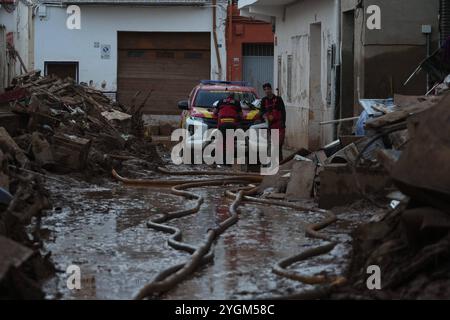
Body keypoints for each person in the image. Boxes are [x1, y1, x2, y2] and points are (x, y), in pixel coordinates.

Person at [214, 93, 242, 164]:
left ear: (227, 96)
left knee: (222, 142)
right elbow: (241, 115)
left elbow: (215, 112)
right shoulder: (236, 102)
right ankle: (228, 162)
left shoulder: (220, 101)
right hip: (231, 125)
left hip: (222, 124)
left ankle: (222, 161)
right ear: (233, 97)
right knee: (230, 143)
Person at [260, 83, 286, 160]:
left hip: (279, 125)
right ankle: (275, 162)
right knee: (274, 145)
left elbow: (283, 112)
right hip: (271, 126)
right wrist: (265, 117)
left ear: (271, 89)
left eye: (268, 89)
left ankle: (280, 163)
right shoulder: (264, 100)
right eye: (265, 89)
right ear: (264, 91)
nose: (267, 91)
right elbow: (261, 112)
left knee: (279, 145)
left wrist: (283, 123)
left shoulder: (278, 99)